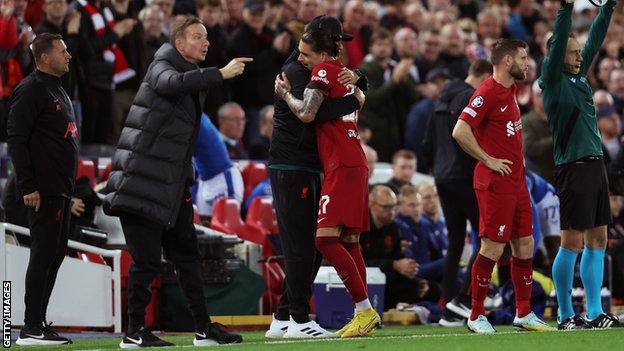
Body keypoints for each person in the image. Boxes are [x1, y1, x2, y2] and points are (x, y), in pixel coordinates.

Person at [103, 16, 251, 347]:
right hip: (142, 181)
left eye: (207, 37)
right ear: (179, 43)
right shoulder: (162, 63)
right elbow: (172, 83)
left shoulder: (185, 74)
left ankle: (203, 328)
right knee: (146, 261)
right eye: (198, 37)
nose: (206, 42)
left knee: (187, 256)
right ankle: (133, 331)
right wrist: (219, 74)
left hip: (171, 185)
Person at [274, 25, 380, 338]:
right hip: (354, 160)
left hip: (341, 164)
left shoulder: (322, 70)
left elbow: (307, 114)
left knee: (324, 240)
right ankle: (363, 314)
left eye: (306, 54)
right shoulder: (347, 75)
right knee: (350, 241)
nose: (301, 60)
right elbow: (359, 99)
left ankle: (364, 310)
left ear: (322, 54)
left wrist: (285, 94)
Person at [452, 38, 555, 334]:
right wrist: (487, 159)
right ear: (507, 61)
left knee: (525, 245)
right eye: (523, 58)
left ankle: (524, 312)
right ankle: (476, 314)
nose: (527, 63)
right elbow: (460, 130)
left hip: (517, 182)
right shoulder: (487, 92)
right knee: (493, 248)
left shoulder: (510, 91)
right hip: (495, 183)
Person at [539, 0, 621, 330]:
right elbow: (559, 41)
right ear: (557, 55)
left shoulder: (578, 76)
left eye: (578, 53)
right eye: (572, 53)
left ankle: (594, 311)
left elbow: (596, 38)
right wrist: (565, 9)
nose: (578, 57)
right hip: (572, 167)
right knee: (571, 241)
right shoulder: (553, 80)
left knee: (598, 239)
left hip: (595, 165)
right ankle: (564, 315)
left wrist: (610, 6)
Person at [8, 33, 76, 346]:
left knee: (56, 254)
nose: (69, 55)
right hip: (42, 190)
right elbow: (17, 140)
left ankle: (39, 321)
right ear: (45, 57)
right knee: (43, 254)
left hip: (60, 188)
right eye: (63, 51)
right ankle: (30, 326)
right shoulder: (31, 89)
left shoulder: (58, 89)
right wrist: (29, 186)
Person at [422, 58, 492, 326]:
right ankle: (464, 300)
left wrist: (435, 169)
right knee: (485, 238)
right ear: (484, 76)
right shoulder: (470, 97)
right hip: (465, 176)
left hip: (443, 177)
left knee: (454, 242)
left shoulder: (440, 99)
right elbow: (470, 136)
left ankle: (449, 309)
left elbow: (427, 141)